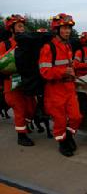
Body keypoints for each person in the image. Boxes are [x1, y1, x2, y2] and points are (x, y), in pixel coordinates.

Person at [39, 13, 82, 157]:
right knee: (60, 120)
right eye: (64, 28)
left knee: (76, 117)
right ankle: (62, 142)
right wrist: (63, 72)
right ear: (56, 30)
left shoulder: (68, 45)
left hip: (69, 88)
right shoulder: (48, 48)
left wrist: (72, 72)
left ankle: (69, 136)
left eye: (69, 28)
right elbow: (44, 72)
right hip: (55, 90)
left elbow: (69, 65)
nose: (67, 31)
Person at [0, 14, 37, 146]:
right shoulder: (4, 45)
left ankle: (25, 125)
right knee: (19, 108)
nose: (22, 29)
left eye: (23, 26)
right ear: (11, 29)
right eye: (19, 26)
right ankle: (21, 136)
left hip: (27, 82)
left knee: (31, 108)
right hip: (11, 83)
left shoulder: (28, 42)